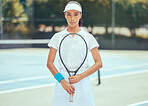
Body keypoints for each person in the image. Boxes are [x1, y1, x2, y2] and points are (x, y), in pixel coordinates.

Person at [47, 1, 102, 106]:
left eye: (75, 14)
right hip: (62, 85)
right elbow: (49, 63)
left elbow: (99, 63)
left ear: (80, 15)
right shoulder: (57, 37)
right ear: (65, 15)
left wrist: (81, 76)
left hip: (83, 84)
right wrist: (62, 82)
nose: (72, 18)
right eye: (69, 14)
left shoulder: (88, 37)